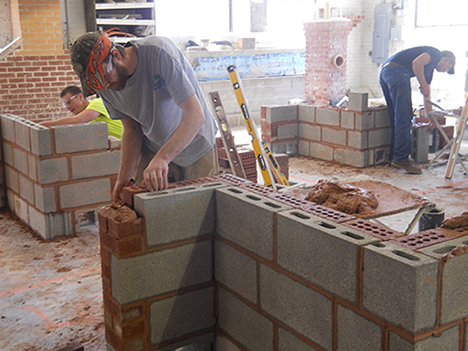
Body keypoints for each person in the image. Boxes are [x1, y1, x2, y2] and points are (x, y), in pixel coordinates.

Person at [69, 31, 218, 200]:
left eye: (104, 76)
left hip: (195, 144)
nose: (105, 85)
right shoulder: (105, 86)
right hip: (154, 144)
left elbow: (195, 115)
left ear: (116, 55)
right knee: (143, 209)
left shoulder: (158, 53)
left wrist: (162, 158)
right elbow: (132, 130)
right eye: (97, 83)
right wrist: (122, 179)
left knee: (194, 213)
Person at [379, 46, 455, 174]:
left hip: (386, 72)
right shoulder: (435, 53)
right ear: (448, 59)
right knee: (404, 117)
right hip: (397, 72)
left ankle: (394, 157)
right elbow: (416, 63)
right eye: (448, 67)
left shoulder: (429, 72)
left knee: (396, 117)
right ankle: (401, 158)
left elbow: (427, 96)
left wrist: (431, 117)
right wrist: (423, 85)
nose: (445, 71)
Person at [40, 85, 123, 139]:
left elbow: (77, 120)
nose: (68, 107)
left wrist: (44, 125)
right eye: (65, 105)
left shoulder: (97, 103)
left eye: (69, 102)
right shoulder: (86, 119)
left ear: (80, 97)